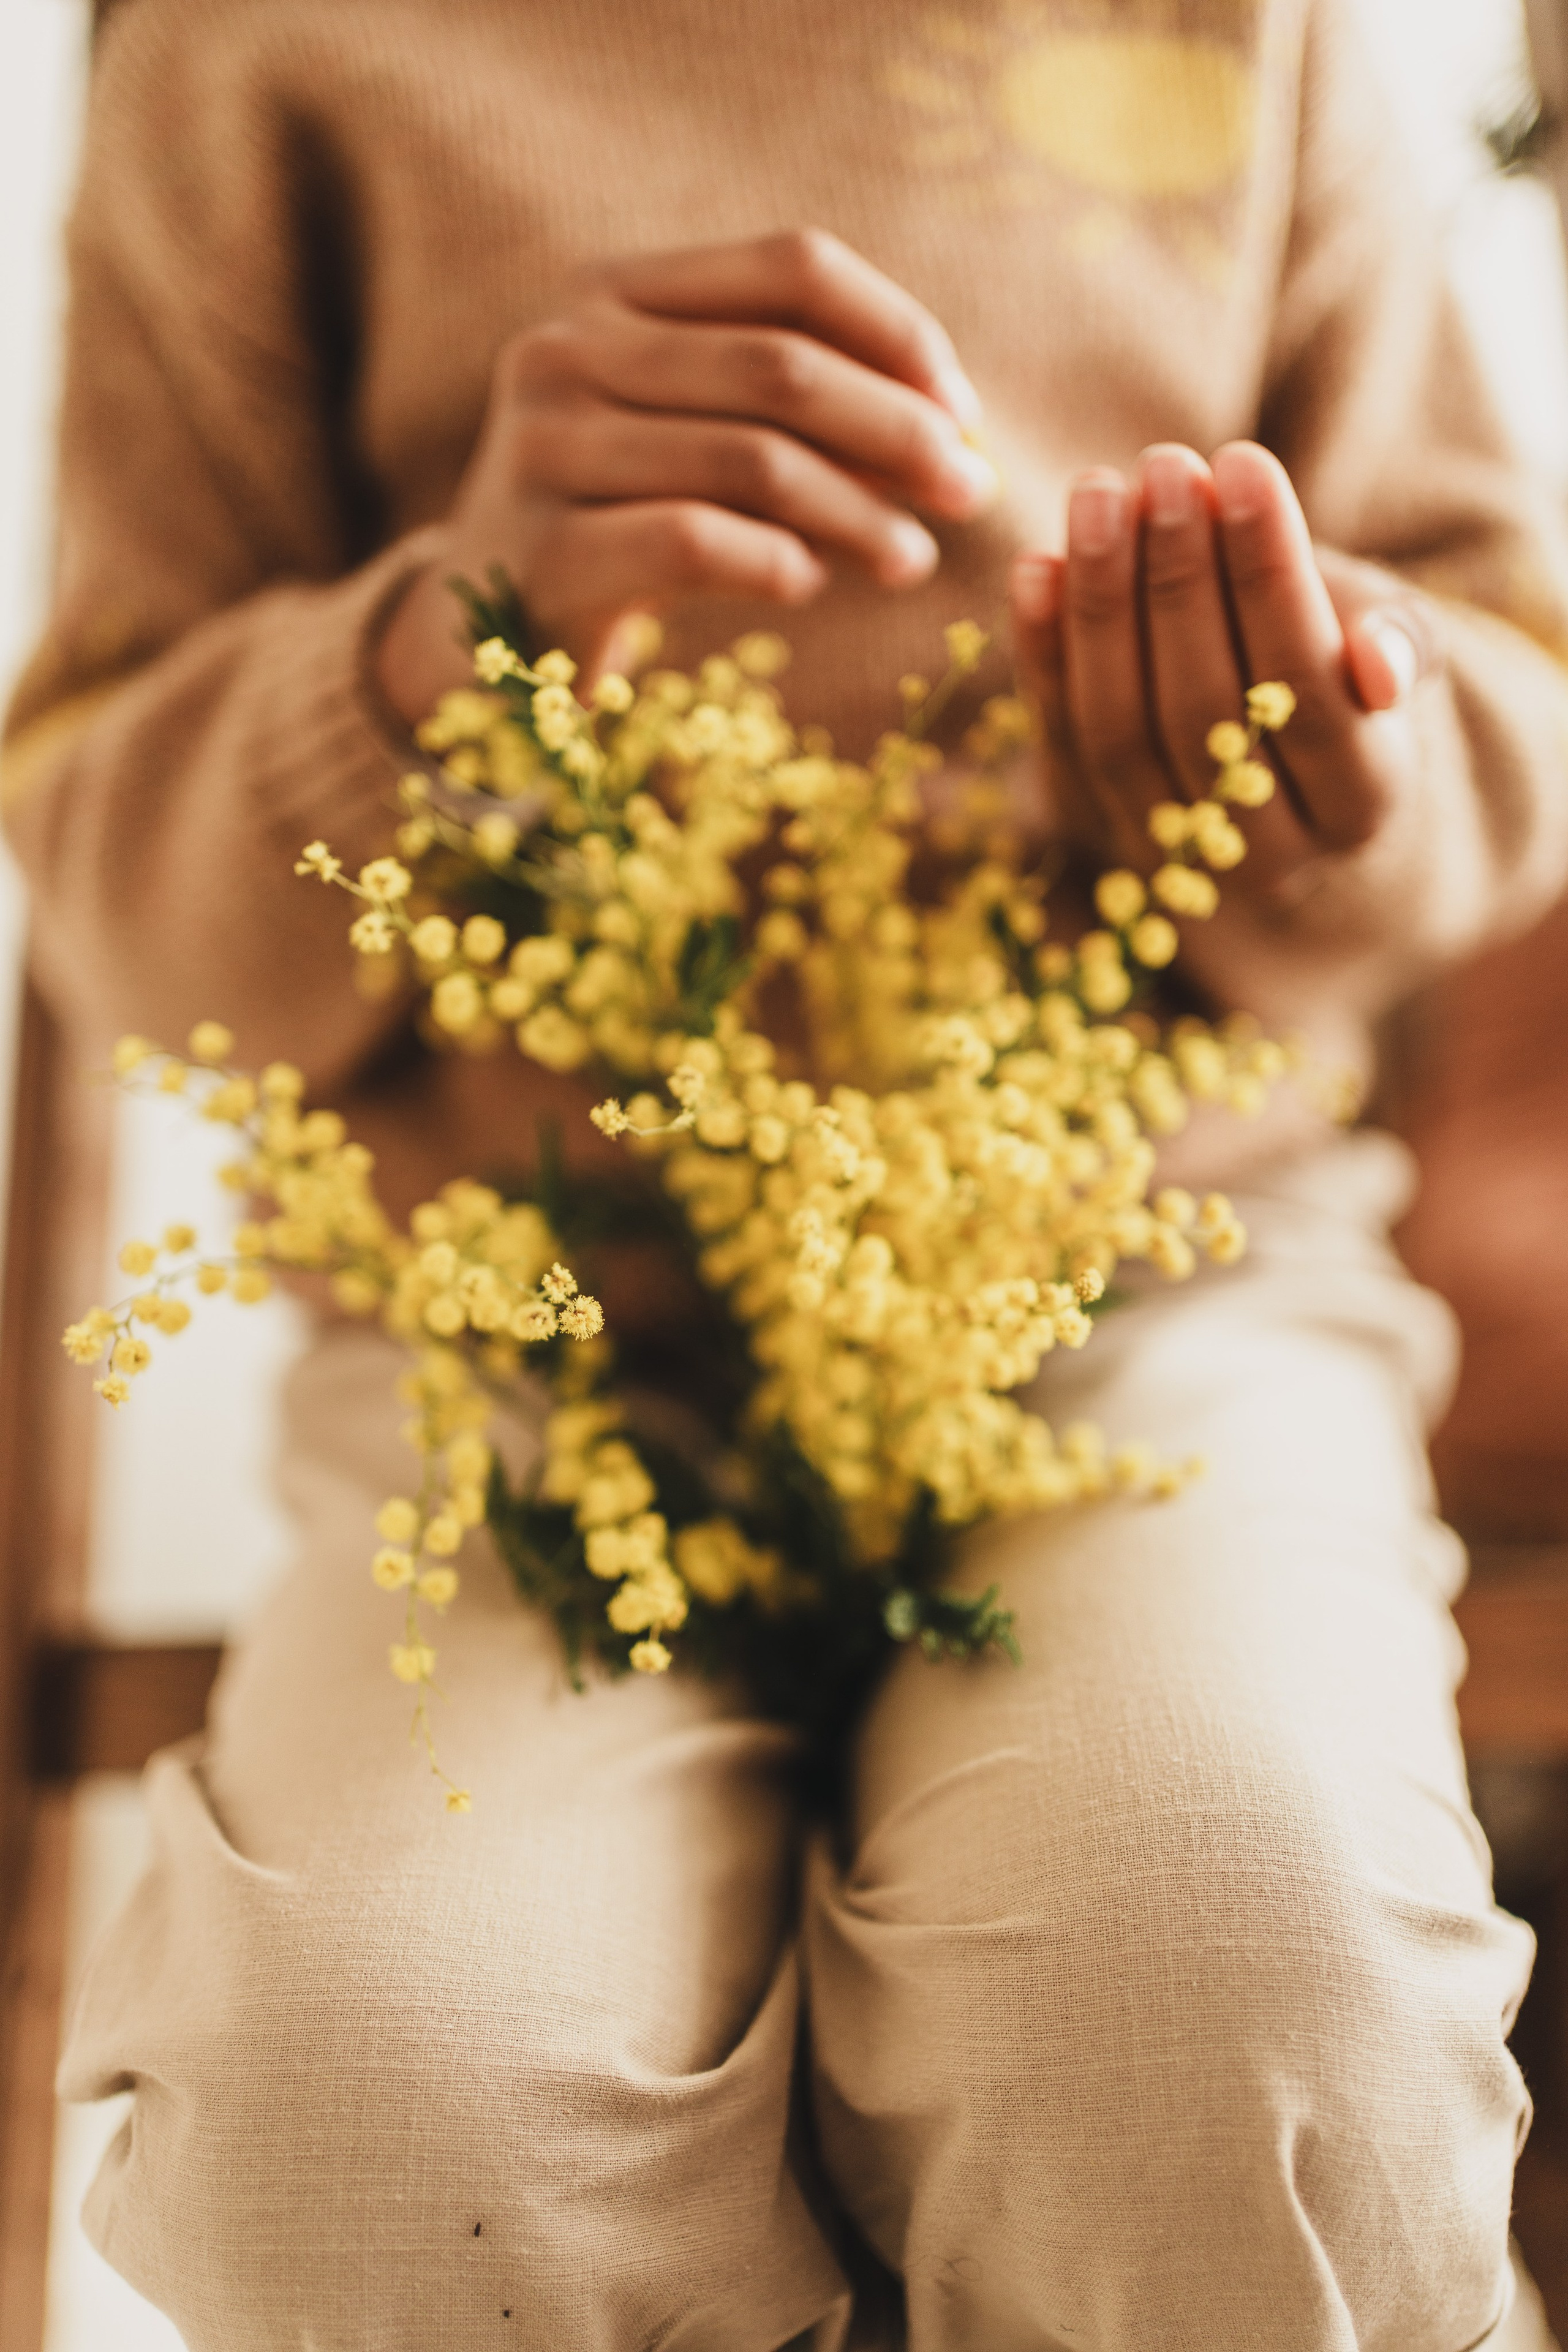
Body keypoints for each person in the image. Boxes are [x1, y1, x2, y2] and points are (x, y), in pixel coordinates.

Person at [6, 0, 1568, 2344]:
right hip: (526, 1342)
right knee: (385, 2105)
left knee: (1236, 1987)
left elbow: (1497, 692)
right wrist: (452, 652)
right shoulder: (255, 52)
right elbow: (115, 884)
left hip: (1136, 1283)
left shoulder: (1257, 35)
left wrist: (1322, 765)